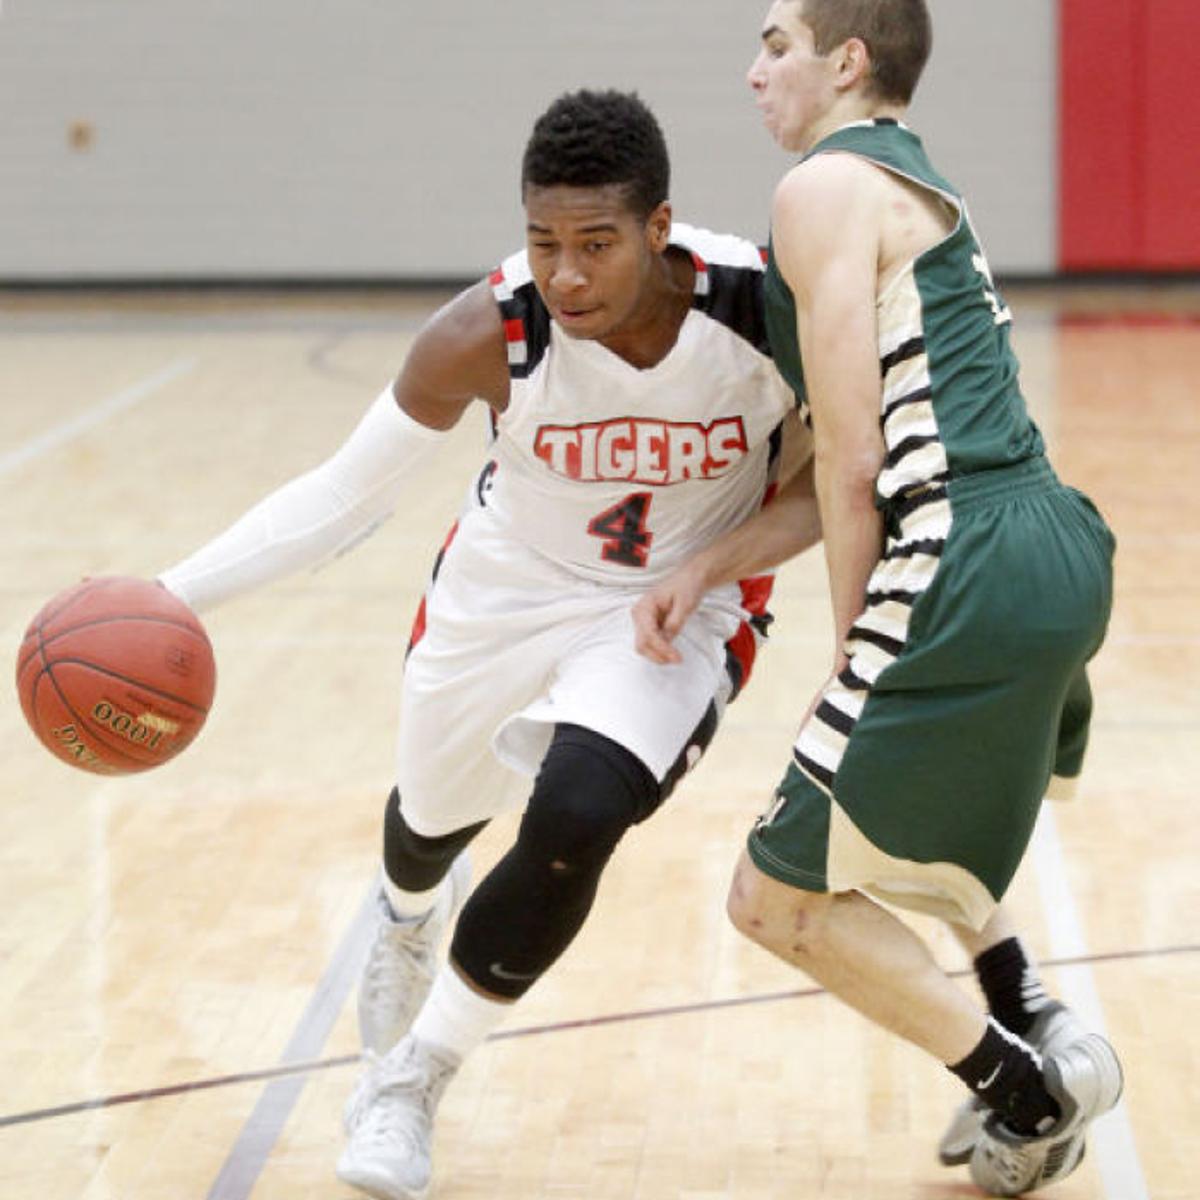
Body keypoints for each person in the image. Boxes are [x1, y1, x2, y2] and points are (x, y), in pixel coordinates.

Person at [157, 89, 821, 1200]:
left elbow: (831, 489)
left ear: (661, 230)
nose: (565, 276)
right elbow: (338, 500)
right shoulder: (491, 332)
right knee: (426, 830)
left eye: (596, 245)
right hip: (503, 592)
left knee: (576, 816)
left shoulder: (767, 317)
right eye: (543, 242)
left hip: (677, 604)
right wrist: (169, 595)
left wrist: (712, 567)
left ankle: (413, 1077)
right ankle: (406, 917)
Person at [716, 3, 1123, 1195]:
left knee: (773, 901)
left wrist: (850, 647)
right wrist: (701, 564)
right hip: (1047, 534)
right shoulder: (918, 182)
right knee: (921, 823)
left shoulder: (822, 191)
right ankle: (1036, 1016)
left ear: (848, 62)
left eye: (777, 44)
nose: (754, 73)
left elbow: (847, 458)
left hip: (960, 559)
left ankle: (1026, 1091)